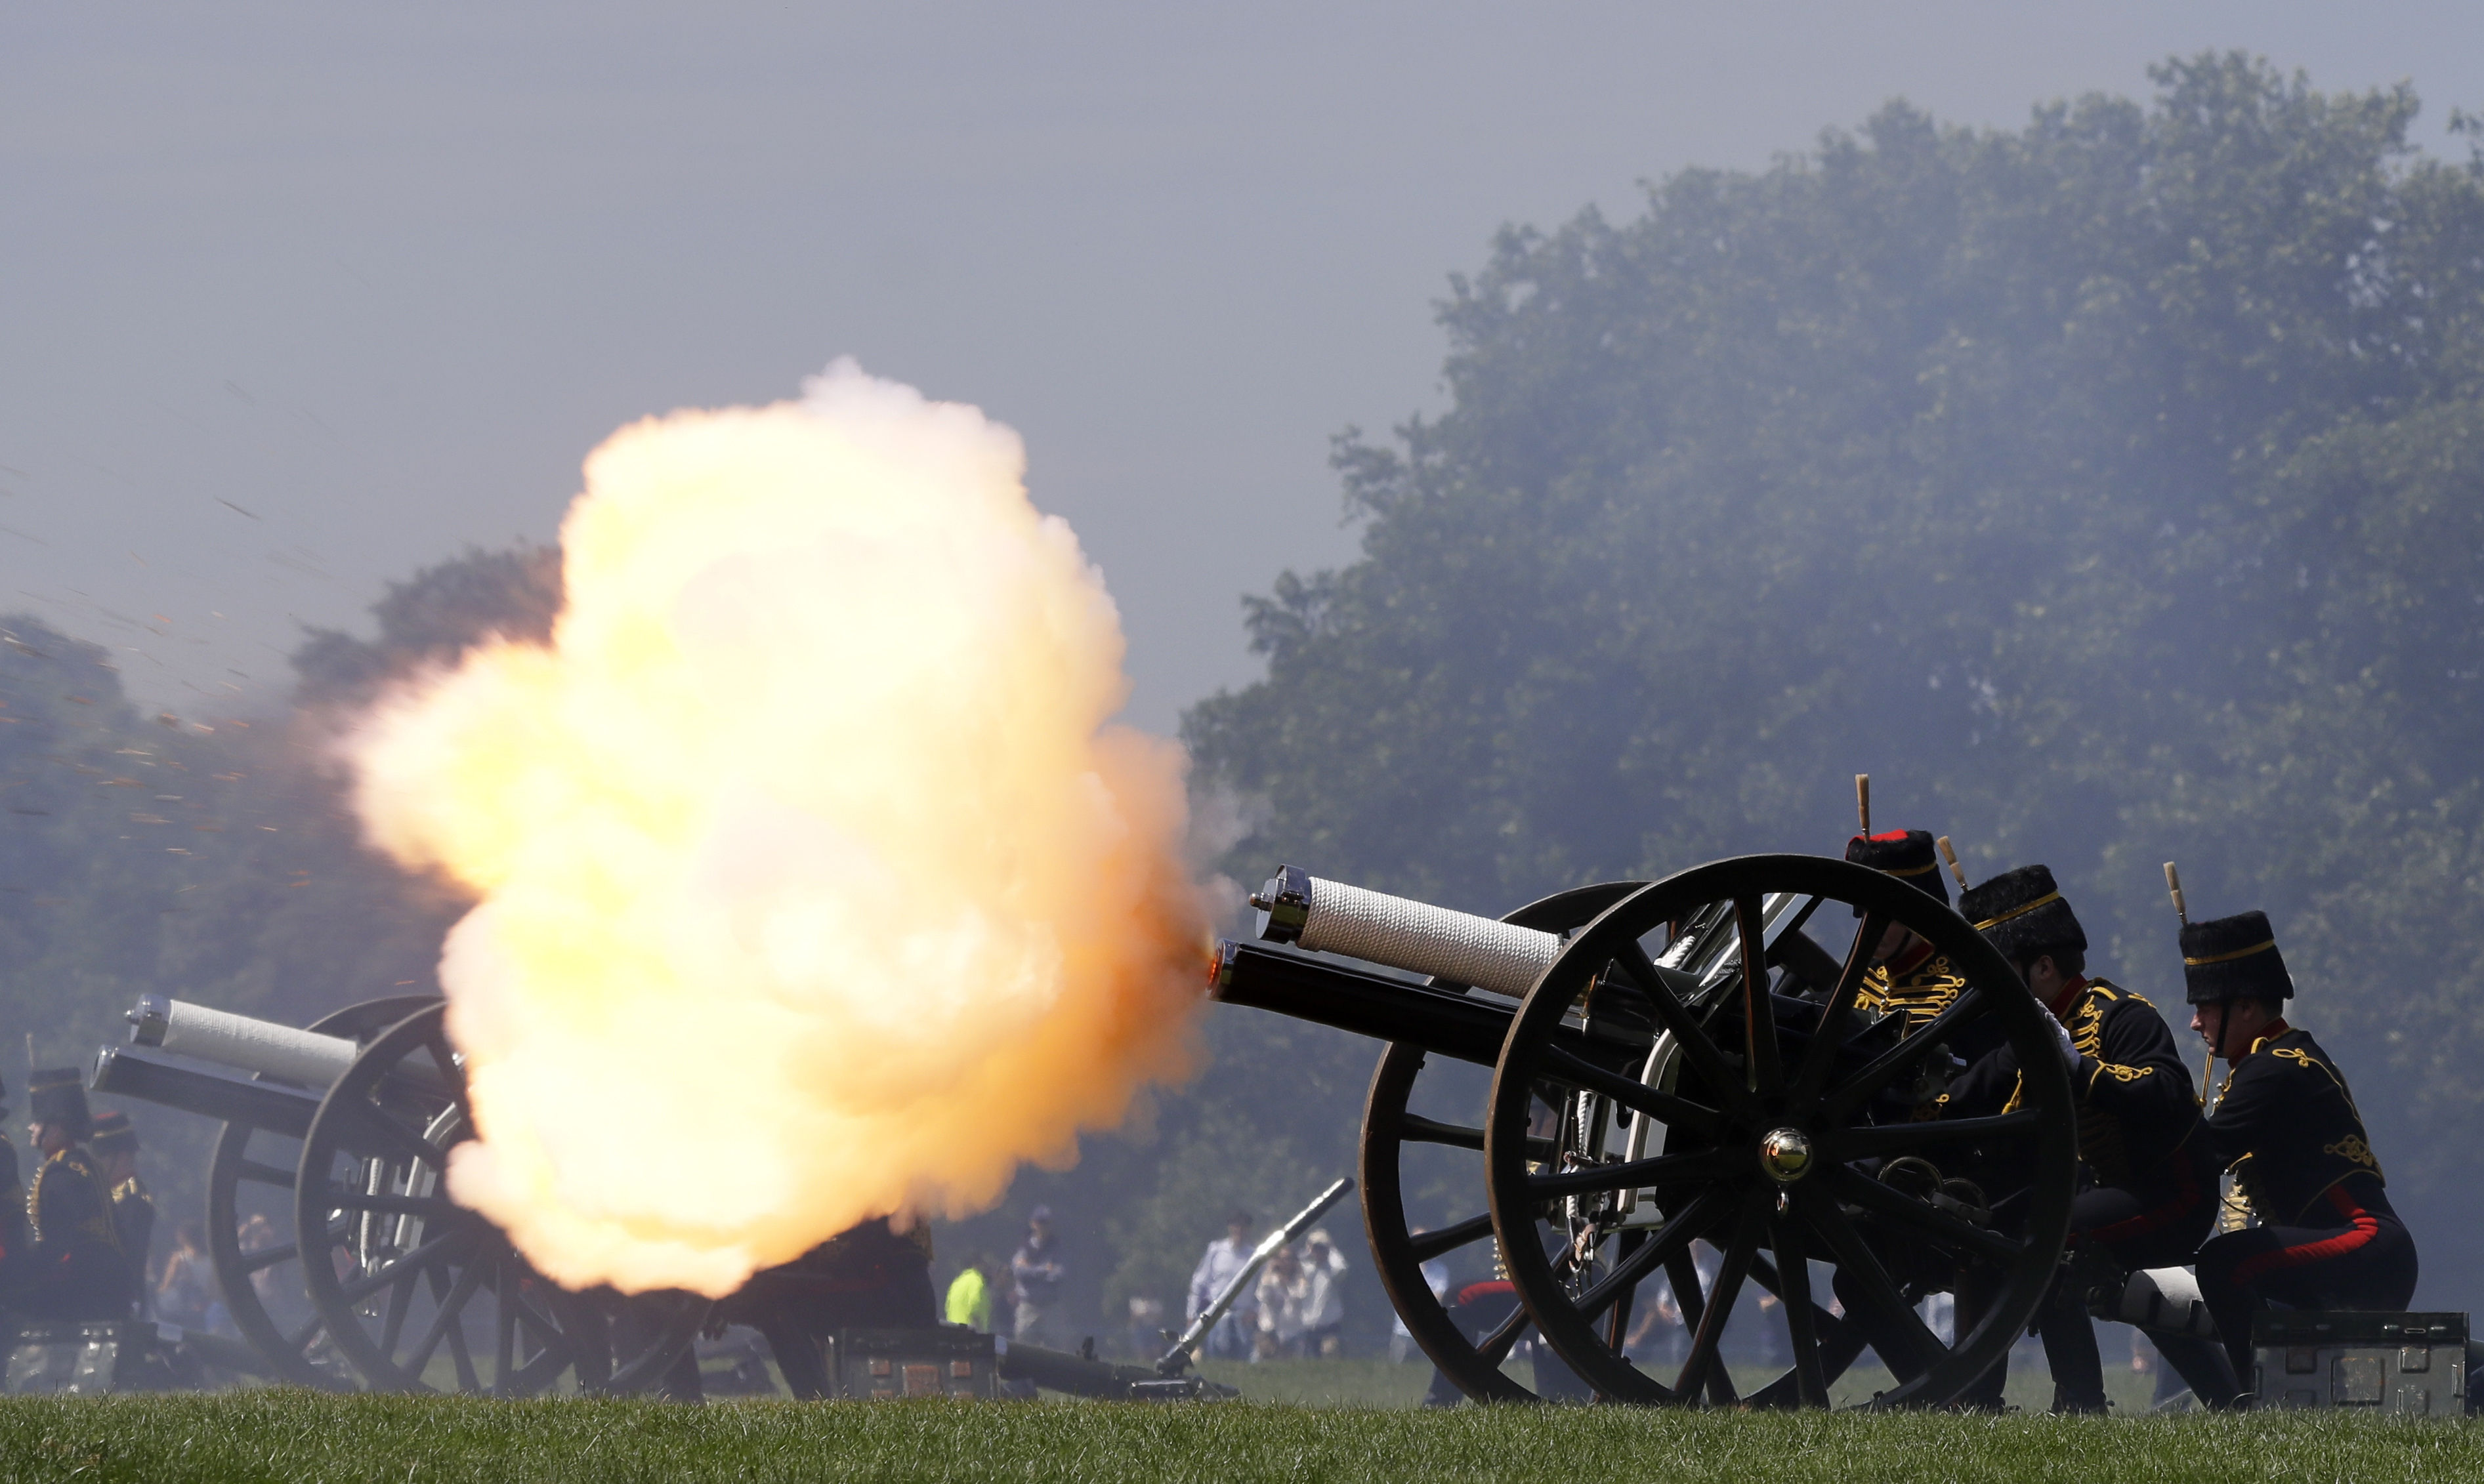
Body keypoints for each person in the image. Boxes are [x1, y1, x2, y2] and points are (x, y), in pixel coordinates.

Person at [1948, 865, 2223, 1413]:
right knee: (1988, 1232)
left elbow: (2166, 1091)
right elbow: (1968, 1103)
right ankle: (1974, 1396)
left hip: (2171, 1192)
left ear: (2043, 966)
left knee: (2048, 1237)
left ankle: (2081, 1402)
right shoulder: (2026, 1036)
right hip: (2103, 1189)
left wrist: (2080, 1068)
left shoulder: (2122, 1015)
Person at [2184, 908, 2416, 1403]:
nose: (2194, 1021)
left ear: (2244, 1006)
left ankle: (2259, 1405)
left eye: (2204, 1006)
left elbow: (2198, 1155)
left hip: (2366, 1245)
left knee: (2224, 1264)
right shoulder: (2277, 1058)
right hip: (2359, 1247)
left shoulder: (2274, 1069)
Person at [717, 1215, 938, 1400]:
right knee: (777, 1307)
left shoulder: (882, 1196)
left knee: (784, 1311)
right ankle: (813, 1398)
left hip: (897, 1298)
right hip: (885, 1291)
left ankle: (815, 1403)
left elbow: (856, 1260)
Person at [21, 1067, 124, 1322]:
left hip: (80, 1291)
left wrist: (19, 1269)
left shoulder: (63, 1174)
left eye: (38, 1121)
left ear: (56, 1127)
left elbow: (60, 1243)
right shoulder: (77, 1164)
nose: (30, 1127)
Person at [1845, 829, 1970, 1033]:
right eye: (1866, 912)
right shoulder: (1865, 970)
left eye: (1886, 917)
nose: (1871, 926)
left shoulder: (1959, 987)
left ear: (1918, 917)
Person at [91, 1111, 153, 1318]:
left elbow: (125, 1260)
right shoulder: (106, 1196)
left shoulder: (133, 1200)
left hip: (119, 1305)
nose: (95, 1162)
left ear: (123, 1156)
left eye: (102, 1156)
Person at [1187, 1210, 1260, 1361]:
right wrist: (1191, 1313)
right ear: (1230, 1227)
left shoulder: (1255, 1255)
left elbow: (1262, 1289)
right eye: (1235, 1226)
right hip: (1216, 1313)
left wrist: (1255, 1311)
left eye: (1243, 1226)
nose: (1239, 1230)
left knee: (1242, 1357)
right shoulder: (1216, 1250)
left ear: (1248, 1229)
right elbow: (1199, 1283)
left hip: (1243, 1317)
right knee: (1216, 1355)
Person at [1009, 1206, 1068, 1349]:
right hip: (1028, 1306)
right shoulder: (1025, 1247)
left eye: (1047, 1223)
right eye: (1040, 1222)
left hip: (1050, 1307)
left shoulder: (1057, 1247)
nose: (1044, 1226)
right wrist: (1043, 1270)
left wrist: (1032, 1272)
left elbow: (1059, 1274)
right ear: (1033, 1224)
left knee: (1058, 1348)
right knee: (1022, 1346)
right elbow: (1018, 1271)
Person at [156, 1222, 215, 1332]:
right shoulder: (211, 1260)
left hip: (182, 1308)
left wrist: (157, 1292)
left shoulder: (179, 1258)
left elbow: (167, 1284)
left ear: (182, 1238)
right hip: (205, 1306)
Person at [1297, 1229, 1347, 1357]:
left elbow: (1342, 1268)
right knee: (1307, 1363)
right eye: (1315, 1247)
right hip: (1308, 1325)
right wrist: (1308, 1249)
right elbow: (1295, 1259)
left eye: (1322, 1248)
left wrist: (1332, 1249)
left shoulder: (1334, 1270)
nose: (1318, 1251)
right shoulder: (1305, 1268)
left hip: (1330, 1326)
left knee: (1331, 1359)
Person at [1253, 1243, 1307, 1359]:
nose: (1285, 1263)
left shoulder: (1298, 1281)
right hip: (1269, 1331)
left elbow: (1302, 1295)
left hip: (1291, 1333)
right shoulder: (1269, 1279)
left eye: (1289, 1259)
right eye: (1281, 1259)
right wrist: (1269, 1270)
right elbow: (1262, 1295)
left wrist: (1300, 1272)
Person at [944, 1252, 1005, 1332]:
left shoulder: (957, 1282)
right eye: (984, 1264)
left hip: (953, 1333)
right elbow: (975, 1306)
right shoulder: (977, 1281)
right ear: (976, 1264)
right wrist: (979, 1333)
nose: (987, 1268)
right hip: (969, 1335)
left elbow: (948, 1307)